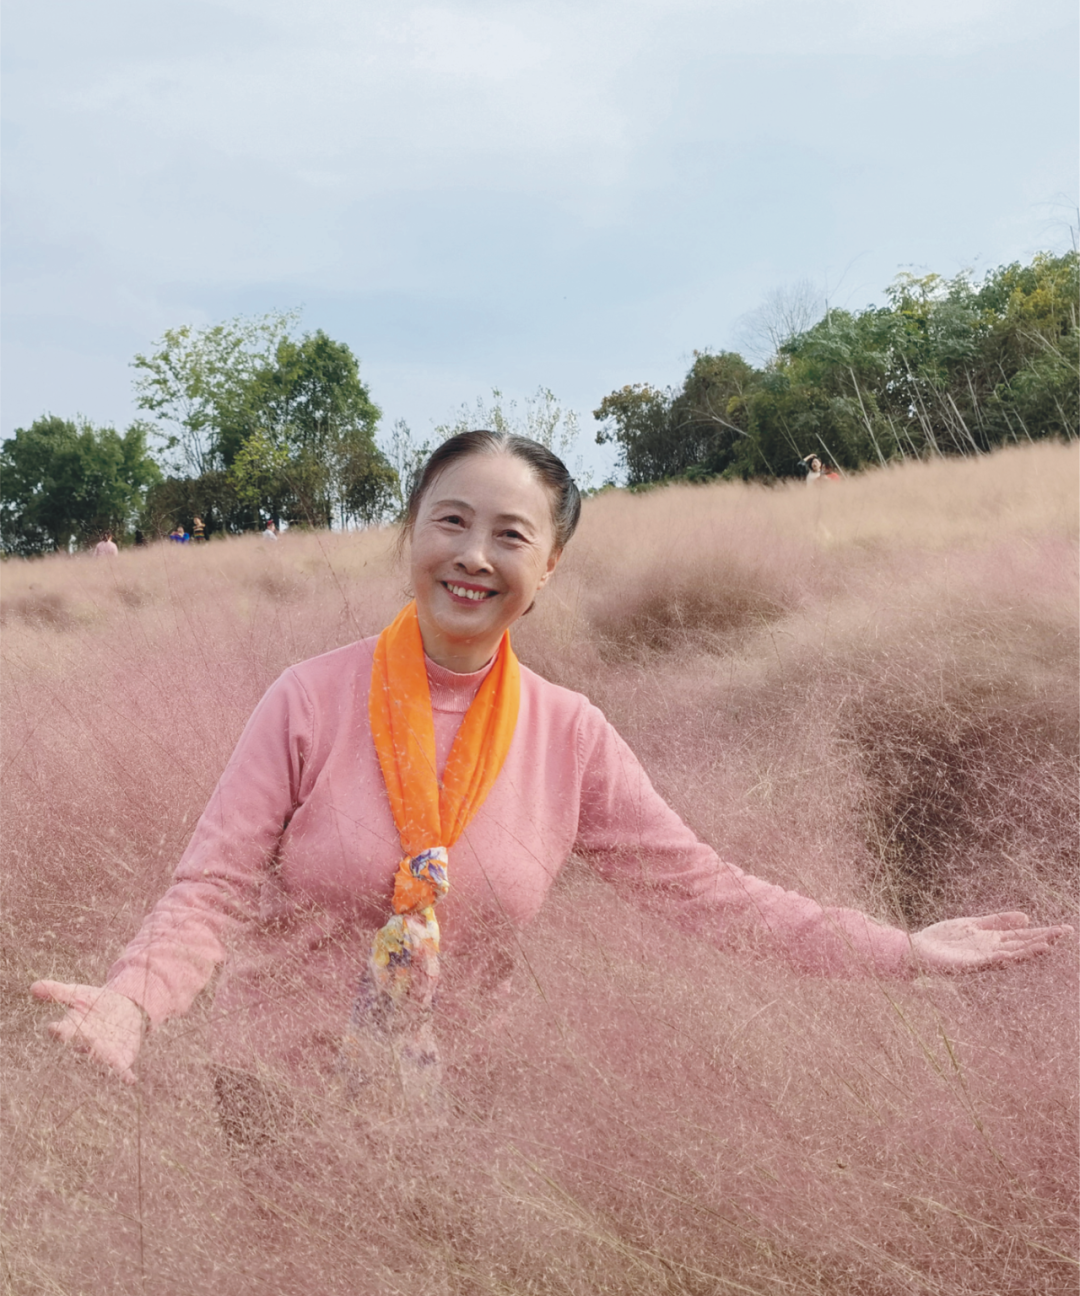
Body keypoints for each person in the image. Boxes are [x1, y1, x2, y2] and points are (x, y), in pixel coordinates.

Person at [33, 433, 1070, 1105]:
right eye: (451, 521)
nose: (474, 555)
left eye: (509, 534)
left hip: (462, 1096)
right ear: (412, 536)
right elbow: (210, 889)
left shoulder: (569, 735)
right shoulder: (307, 700)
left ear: (549, 567)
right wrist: (133, 999)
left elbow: (712, 895)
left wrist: (895, 949)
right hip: (275, 1089)